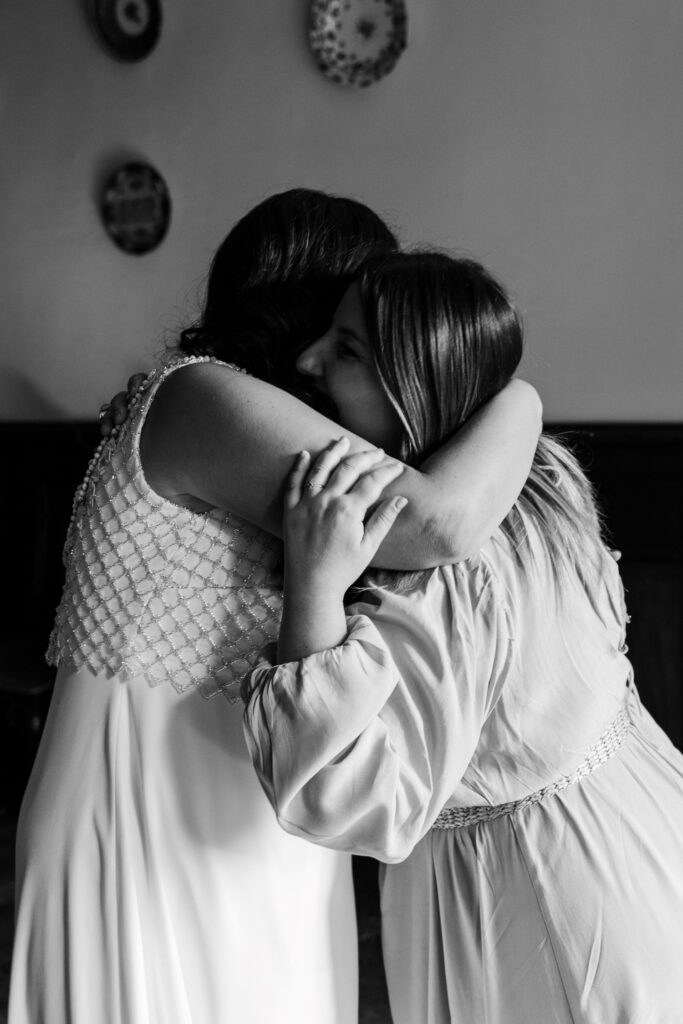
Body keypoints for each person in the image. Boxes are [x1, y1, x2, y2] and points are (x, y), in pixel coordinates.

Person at [9, 192, 541, 1024]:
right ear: (306, 297)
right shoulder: (200, 397)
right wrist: (524, 396)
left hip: (266, 797)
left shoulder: (258, 418)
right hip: (143, 793)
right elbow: (437, 524)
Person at [242, 250, 683, 1024]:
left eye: (346, 349)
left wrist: (313, 585)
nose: (309, 362)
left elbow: (343, 798)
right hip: (641, 812)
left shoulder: (434, 580)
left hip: (539, 887)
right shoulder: (540, 473)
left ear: (414, 385)